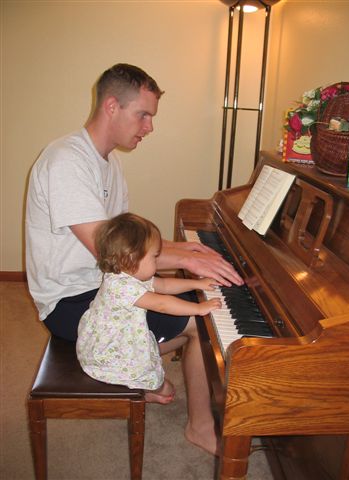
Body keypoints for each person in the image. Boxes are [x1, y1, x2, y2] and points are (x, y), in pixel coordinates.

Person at [26, 63, 243, 455]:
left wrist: (186, 249)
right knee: (199, 320)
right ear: (112, 106)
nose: (149, 127)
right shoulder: (67, 162)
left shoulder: (108, 161)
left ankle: (148, 370)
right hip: (70, 302)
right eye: (143, 115)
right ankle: (199, 427)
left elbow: (128, 241)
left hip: (99, 285)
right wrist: (188, 261)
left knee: (187, 295)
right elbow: (116, 256)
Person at [76, 212, 222, 405]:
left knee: (148, 351)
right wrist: (198, 308)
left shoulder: (126, 273)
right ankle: (154, 388)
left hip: (117, 334)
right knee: (146, 371)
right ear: (131, 257)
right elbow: (162, 304)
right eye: (154, 257)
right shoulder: (122, 286)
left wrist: (197, 284)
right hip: (109, 350)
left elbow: (165, 286)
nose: (157, 261)